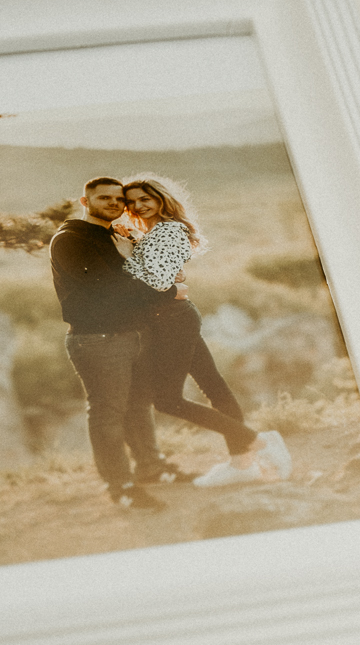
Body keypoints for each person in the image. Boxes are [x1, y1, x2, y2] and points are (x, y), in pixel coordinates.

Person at [117, 176, 291, 487]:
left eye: (145, 198)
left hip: (172, 321)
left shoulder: (170, 230)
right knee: (214, 388)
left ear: (160, 198)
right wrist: (135, 247)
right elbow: (162, 280)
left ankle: (259, 442)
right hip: (171, 319)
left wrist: (127, 256)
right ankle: (242, 465)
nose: (138, 205)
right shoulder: (152, 233)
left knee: (167, 400)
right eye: (132, 202)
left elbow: (158, 282)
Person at [48, 177, 172, 510]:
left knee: (138, 405)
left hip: (133, 334)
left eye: (119, 199)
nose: (115, 203)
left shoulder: (115, 236)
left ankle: (152, 469)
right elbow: (109, 289)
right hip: (97, 339)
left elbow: (142, 282)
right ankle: (121, 487)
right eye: (105, 198)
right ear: (85, 202)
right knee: (108, 412)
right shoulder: (70, 240)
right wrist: (163, 289)